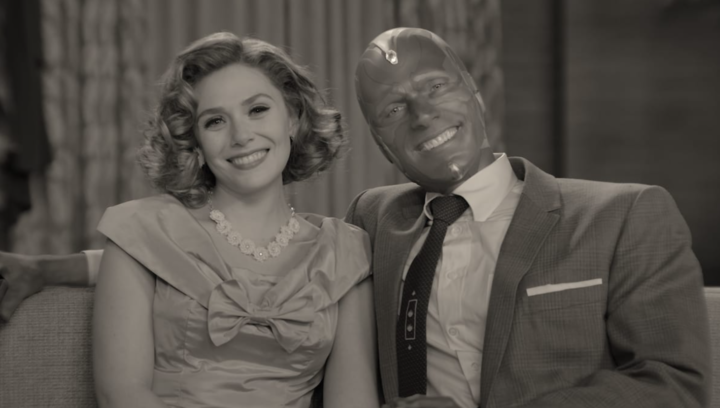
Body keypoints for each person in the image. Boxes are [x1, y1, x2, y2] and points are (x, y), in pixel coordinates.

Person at [0, 27, 711, 408]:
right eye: (394, 109)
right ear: (379, 142)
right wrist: (45, 269)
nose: (422, 115)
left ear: (475, 91)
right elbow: (193, 261)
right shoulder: (378, 222)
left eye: (435, 87)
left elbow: (676, 385)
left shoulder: (621, 215)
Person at [1, 31, 381, 408]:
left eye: (257, 110)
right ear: (194, 142)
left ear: (294, 118)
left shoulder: (343, 252)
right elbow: (121, 395)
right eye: (215, 121)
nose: (241, 136)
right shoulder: (140, 231)